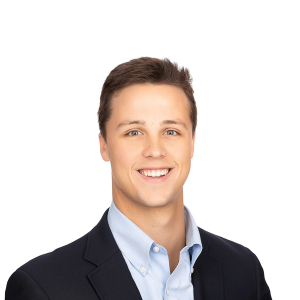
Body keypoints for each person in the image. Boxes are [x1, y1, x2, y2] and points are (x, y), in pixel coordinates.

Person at [5, 57, 272, 300]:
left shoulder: (244, 272)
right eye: (134, 132)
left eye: (171, 131)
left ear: (192, 143)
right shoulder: (42, 287)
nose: (155, 150)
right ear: (104, 146)